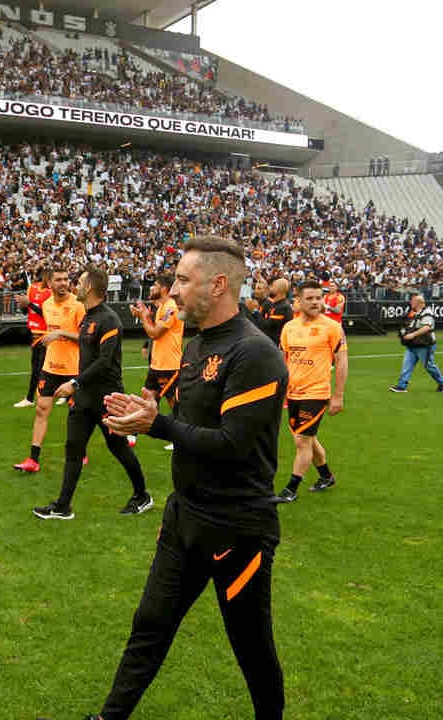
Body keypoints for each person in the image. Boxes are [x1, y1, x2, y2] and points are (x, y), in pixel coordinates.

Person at [92, 235, 289, 720]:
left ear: (218, 284)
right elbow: (194, 421)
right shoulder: (196, 342)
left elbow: (231, 444)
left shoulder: (255, 353)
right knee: (149, 626)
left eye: (182, 280)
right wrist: (150, 408)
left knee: (252, 648)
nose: (173, 291)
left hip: (237, 528)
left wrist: (154, 425)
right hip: (185, 519)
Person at [33, 268, 152, 520]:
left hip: (107, 398)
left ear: (89, 288)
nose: (75, 284)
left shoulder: (109, 320)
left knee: (118, 447)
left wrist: (74, 383)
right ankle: (63, 506)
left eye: (80, 281)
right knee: (73, 448)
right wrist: (78, 388)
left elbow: (105, 361)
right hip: (84, 398)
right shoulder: (87, 317)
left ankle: (142, 495)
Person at [275, 281, 348, 502]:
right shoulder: (289, 327)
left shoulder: (332, 327)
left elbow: (342, 361)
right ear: (298, 300)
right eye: (310, 298)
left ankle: (291, 489)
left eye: (319, 298)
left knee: (302, 441)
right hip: (293, 393)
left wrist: (338, 395)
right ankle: (326, 476)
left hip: (316, 393)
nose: (316, 302)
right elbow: (282, 359)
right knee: (308, 437)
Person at [14, 268, 84, 473]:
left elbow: (86, 338)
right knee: (41, 409)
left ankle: (81, 451)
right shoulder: (46, 305)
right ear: (50, 283)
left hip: (73, 368)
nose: (63, 283)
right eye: (58, 280)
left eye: (65, 279)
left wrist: (61, 333)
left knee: (78, 413)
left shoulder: (78, 305)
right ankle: (33, 459)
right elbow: (49, 331)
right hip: (50, 367)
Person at [130, 274, 185, 450]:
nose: (151, 288)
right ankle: (133, 434)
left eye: (154, 285)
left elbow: (154, 333)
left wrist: (144, 317)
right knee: (148, 398)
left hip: (169, 366)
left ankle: (181, 439)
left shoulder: (171, 308)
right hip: (157, 365)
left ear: (163, 289)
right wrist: (143, 314)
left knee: (175, 405)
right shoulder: (162, 307)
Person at [390, 293, 443, 393]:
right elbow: (407, 323)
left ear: (419, 303)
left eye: (413, 301)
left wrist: (412, 335)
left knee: (429, 366)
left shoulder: (427, 312)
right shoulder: (412, 312)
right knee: (406, 365)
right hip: (413, 344)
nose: (411, 303)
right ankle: (401, 386)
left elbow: (427, 327)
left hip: (425, 344)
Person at [13, 268, 51, 408]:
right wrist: (22, 304)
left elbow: (46, 314)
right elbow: (26, 310)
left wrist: (29, 303)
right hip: (34, 331)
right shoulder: (32, 288)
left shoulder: (50, 293)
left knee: (40, 367)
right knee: (37, 366)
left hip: (46, 333)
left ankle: (31, 398)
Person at [248, 277, 292, 345]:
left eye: (273, 286)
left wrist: (255, 311)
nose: (270, 287)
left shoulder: (282, 307)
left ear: (278, 289)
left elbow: (268, 327)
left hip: (276, 344)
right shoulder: (276, 304)